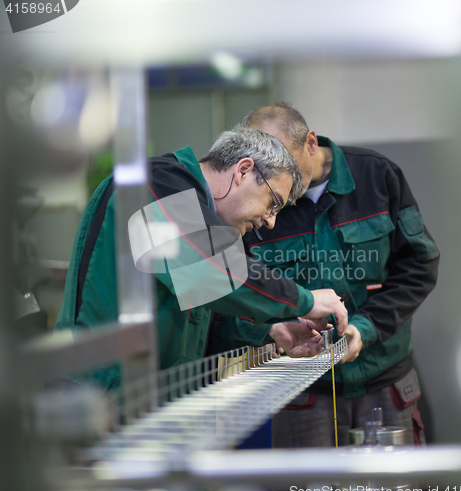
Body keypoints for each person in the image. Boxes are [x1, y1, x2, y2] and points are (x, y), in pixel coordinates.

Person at [55, 127, 348, 390]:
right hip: (98, 401)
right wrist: (306, 301)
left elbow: (200, 317)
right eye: (273, 203)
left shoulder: (206, 226)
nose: (270, 221)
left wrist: (271, 328)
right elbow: (210, 271)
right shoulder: (151, 185)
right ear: (243, 171)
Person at [218, 103, 439, 451]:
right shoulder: (255, 206)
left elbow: (419, 266)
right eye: (265, 165)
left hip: (384, 380)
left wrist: (364, 329)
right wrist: (274, 329)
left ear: (309, 142)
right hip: (301, 391)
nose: (278, 177)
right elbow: (232, 296)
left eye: (285, 161)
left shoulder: (377, 177)